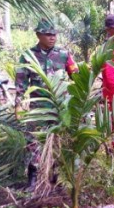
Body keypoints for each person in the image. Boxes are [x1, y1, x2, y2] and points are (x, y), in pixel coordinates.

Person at [15, 19, 78, 189]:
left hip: (59, 107)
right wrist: (19, 104)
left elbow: (77, 77)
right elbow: (21, 83)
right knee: (33, 141)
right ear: (38, 35)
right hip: (39, 107)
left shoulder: (64, 54)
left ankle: (57, 176)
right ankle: (33, 177)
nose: (52, 38)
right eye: (48, 34)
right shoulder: (28, 56)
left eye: (54, 34)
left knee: (58, 140)